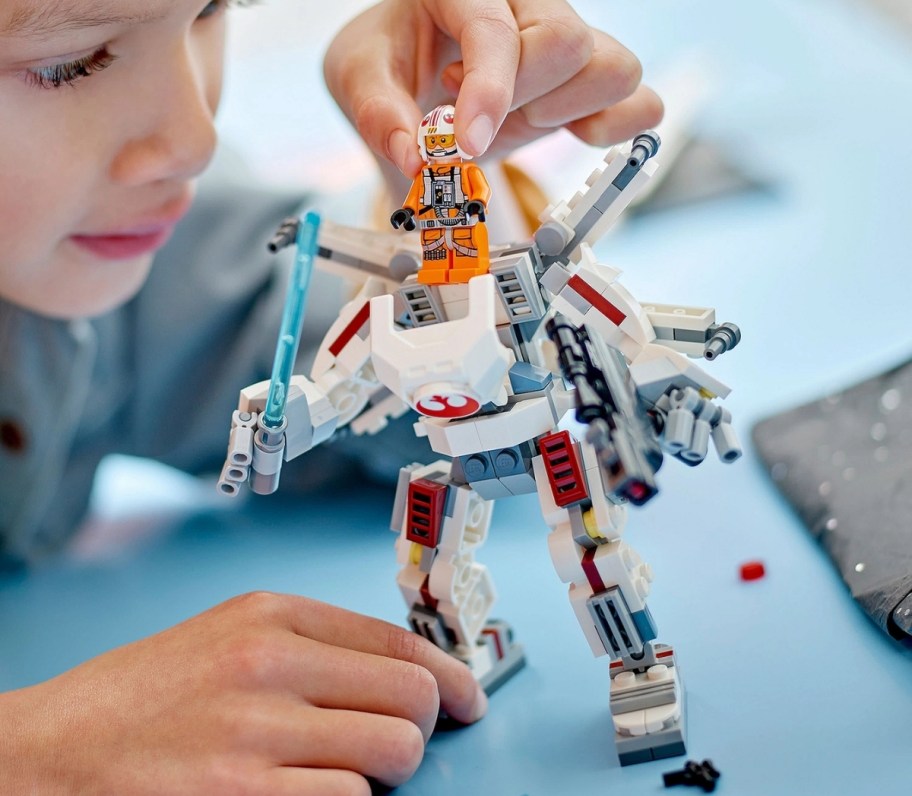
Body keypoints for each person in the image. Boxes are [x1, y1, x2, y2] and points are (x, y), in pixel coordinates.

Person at [0, 0, 662, 792]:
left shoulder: (133, 256)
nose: (194, 141)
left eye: (209, 10)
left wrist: (420, 193)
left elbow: (371, 387)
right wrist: (33, 749)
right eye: (72, 61)